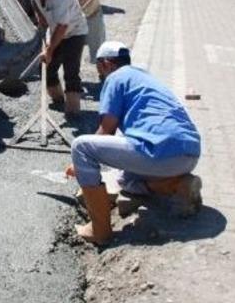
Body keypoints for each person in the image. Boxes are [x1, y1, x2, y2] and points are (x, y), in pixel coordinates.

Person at [67, 42, 202, 245]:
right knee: (124, 177)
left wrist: (79, 165)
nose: (101, 77)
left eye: (99, 70)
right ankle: (176, 185)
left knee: (81, 147)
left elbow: (106, 131)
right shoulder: (144, 77)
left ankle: (100, 230)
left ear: (106, 64)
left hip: (160, 154)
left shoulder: (115, 78)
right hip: (189, 155)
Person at [28, 0, 89, 116]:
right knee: (47, 68)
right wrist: (40, 17)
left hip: (74, 31)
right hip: (54, 29)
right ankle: (58, 99)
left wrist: (49, 50)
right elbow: (34, 1)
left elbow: (62, 27)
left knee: (71, 70)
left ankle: (73, 110)